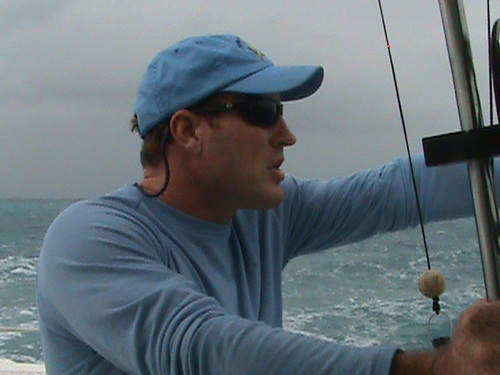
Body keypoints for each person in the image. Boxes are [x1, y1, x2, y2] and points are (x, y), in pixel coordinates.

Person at [36, 34, 500, 375]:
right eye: (263, 113)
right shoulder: (86, 239)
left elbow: (390, 192)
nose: (287, 134)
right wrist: (436, 369)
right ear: (187, 131)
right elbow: (201, 350)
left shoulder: (263, 215)